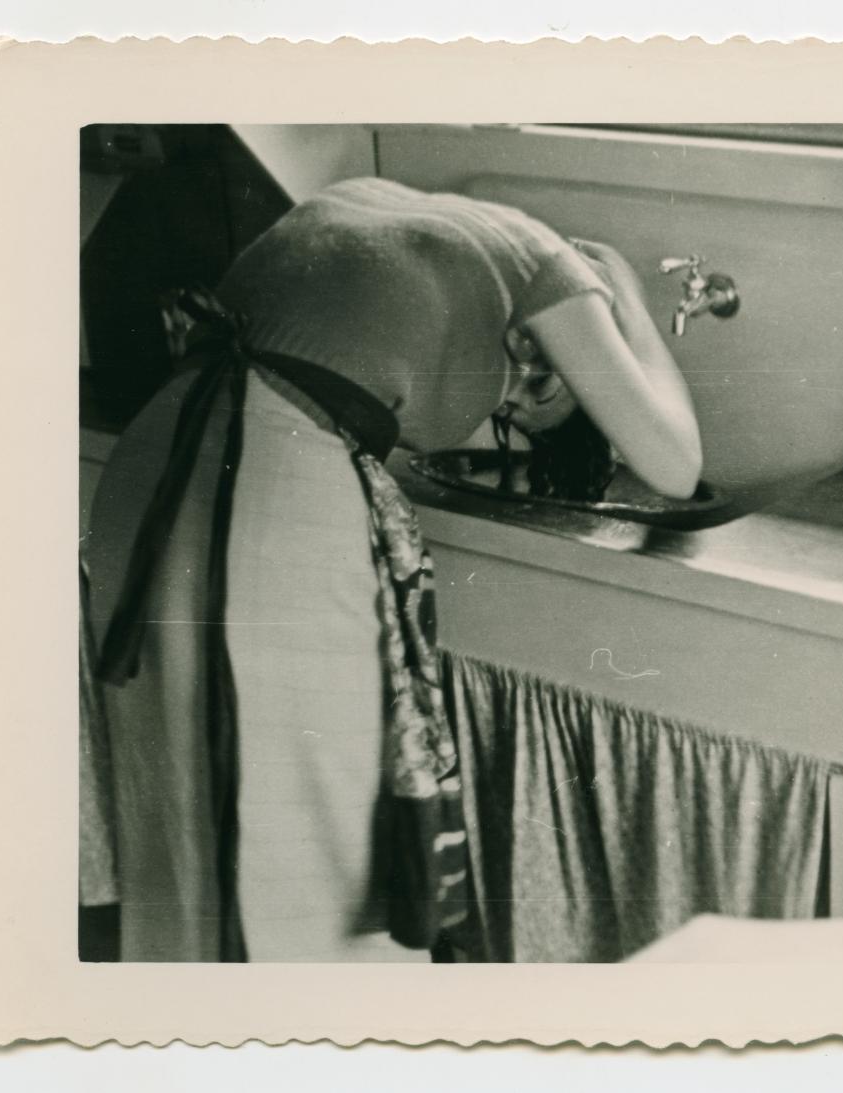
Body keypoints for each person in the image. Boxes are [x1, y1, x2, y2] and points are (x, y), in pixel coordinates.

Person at [80, 177, 703, 962]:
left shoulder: (381, 205)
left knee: (182, 818)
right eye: (557, 388)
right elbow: (677, 465)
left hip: (149, 469)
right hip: (268, 492)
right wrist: (633, 308)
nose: (523, 398)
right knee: (309, 846)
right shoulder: (554, 268)